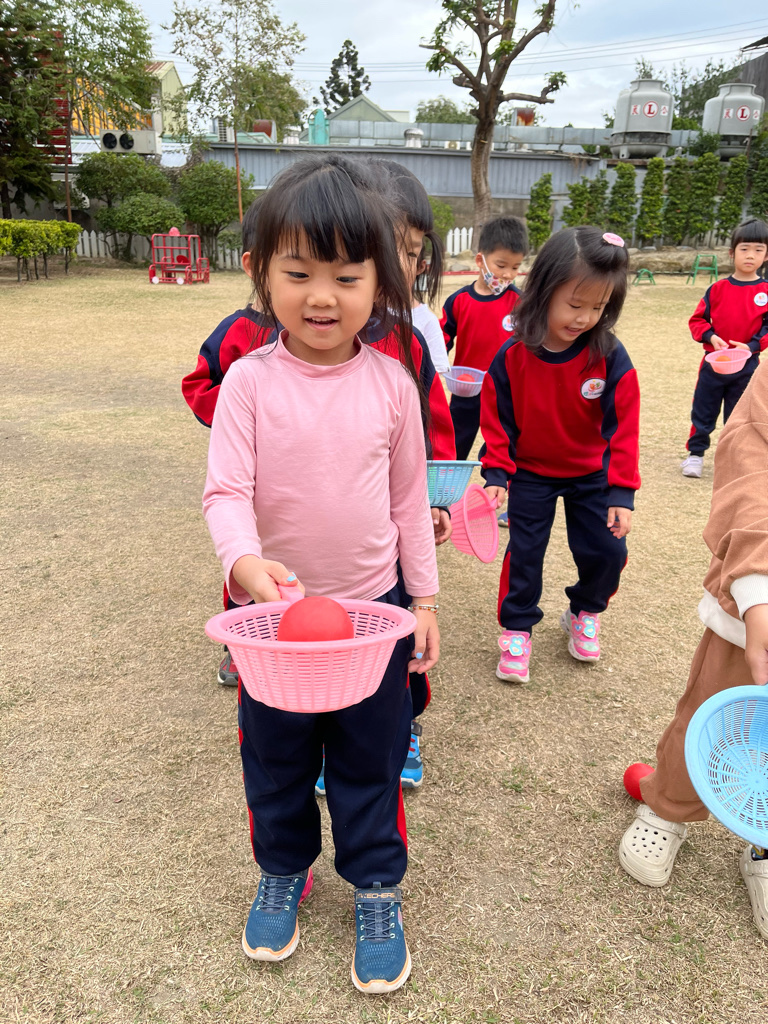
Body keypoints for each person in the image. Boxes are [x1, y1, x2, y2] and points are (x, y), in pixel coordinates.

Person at [202, 154, 439, 993]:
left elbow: (410, 499)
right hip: (275, 627)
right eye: (299, 272)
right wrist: (244, 562)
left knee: (371, 759)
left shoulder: (393, 384)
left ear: (383, 281)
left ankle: (376, 889)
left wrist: (425, 599)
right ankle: (282, 870)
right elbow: (226, 492)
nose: (322, 296)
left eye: (347, 275)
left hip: (374, 616)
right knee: (275, 760)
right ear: (260, 271)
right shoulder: (247, 383)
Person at [619, 360, 768, 940]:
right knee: (712, 711)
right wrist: (757, 589)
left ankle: (763, 843)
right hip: (757, 603)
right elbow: (752, 466)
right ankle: (668, 805)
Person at [480, 228, 640, 684]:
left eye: (598, 307)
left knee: (608, 550)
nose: (584, 318)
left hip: (592, 474)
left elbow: (624, 425)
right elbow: (498, 420)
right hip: (532, 473)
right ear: (544, 290)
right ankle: (517, 630)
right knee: (525, 553)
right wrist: (496, 473)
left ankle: (584, 611)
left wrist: (622, 491)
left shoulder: (609, 355)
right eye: (574, 304)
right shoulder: (513, 355)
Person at [181, 198, 275, 687]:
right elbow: (197, 384)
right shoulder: (237, 331)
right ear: (255, 265)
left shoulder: (325, 334)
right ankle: (240, 643)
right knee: (245, 553)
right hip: (248, 474)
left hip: (303, 477)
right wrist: (241, 414)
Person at [681, 217, 768, 479]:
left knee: (739, 415)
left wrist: (752, 346)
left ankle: (734, 460)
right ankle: (695, 455)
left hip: (747, 366)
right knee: (703, 410)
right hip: (714, 363)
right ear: (732, 253)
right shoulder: (717, 289)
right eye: (744, 249)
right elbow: (697, 321)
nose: (750, 255)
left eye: (758, 250)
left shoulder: (765, 291)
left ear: (766, 255)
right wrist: (711, 337)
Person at [440, 216, 528, 460]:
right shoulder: (459, 301)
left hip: (505, 392)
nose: (508, 274)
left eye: (515, 267)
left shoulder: (521, 304)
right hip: (466, 388)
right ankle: (447, 483)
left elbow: (530, 346)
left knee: (501, 449)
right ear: (480, 260)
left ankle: (496, 481)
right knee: (454, 447)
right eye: (501, 265)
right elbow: (442, 340)